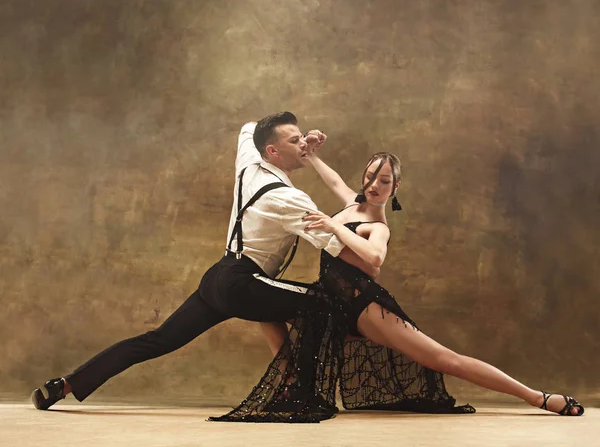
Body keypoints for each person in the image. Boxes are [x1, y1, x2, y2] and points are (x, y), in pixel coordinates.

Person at [212, 138, 584, 423]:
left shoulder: (377, 226)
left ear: (395, 188)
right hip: (330, 301)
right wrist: (310, 154)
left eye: (384, 180)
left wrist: (331, 227)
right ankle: (293, 385)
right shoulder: (351, 203)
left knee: (445, 359)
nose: (374, 184)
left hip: (364, 308)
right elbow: (336, 180)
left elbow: (374, 261)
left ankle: (536, 397)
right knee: (259, 303)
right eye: (371, 176)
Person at [31, 112, 379, 410]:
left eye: (302, 137)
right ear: (271, 151)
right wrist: (371, 243)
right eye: (294, 141)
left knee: (156, 340)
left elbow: (249, 127)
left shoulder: (249, 162)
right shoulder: (289, 198)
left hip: (218, 277)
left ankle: (65, 385)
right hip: (243, 282)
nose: (303, 145)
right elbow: (337, 246)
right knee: (321, 305)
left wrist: (300, 140)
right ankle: (298, 395)